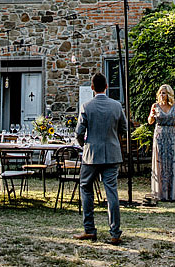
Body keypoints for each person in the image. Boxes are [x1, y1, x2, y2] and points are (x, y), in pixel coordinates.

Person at [75, 72, 127, 245]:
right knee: (111, 192)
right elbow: (125, 128)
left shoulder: (86, 106)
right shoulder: (116, 106)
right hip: (112, 153)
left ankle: (89, 229)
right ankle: (115, 233)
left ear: (92, 88)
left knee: (86, 187)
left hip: (91, 154)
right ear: (106, 87)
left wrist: (85, 145)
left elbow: (79, 133)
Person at [147, 84, 175, 201]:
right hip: (159, 135)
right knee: (160, 162)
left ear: (169, 95)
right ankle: (160, 193)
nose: (162, 95)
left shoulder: (173, 106)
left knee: (171, 161)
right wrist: (151, 115)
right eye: (161, 92)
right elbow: (150, 121)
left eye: (165, 93)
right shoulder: (155, 106)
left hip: (171, 135)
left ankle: (172, 193)